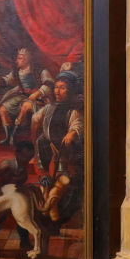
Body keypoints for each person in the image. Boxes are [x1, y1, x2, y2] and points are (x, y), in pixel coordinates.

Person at [33, 71, 85, 223]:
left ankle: (52, 204)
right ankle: (48, 199)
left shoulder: (72, 110)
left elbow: (77, 124)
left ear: (70, 91)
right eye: (56, 87)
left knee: (64, 178)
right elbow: (36, 118)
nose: (57, 91)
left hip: (63, 148)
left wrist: (71, 133)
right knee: (45, 176)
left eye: (62, 88)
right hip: (45, 144)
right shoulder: (48, 107)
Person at [0, 141, 43, 252]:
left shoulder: (23, 169)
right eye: (24, 157)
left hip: (13, 197)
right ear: (17, 154)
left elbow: (17, 186)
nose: (26, 160)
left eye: (29, 158)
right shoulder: (7, 165)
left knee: (24, 215)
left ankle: (24, 242)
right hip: (0, 196)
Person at [0, 48, 54, 144]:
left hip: (39, 99)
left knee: (25, 106)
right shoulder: (17, 72)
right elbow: (6, 80)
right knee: (2, 109)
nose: (17, 61)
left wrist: (38, 93)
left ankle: (13, 135)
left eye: (20, 58)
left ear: (27, 59)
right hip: (23, 96)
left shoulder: (39, 70)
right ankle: (8, 137)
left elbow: (49, 82)